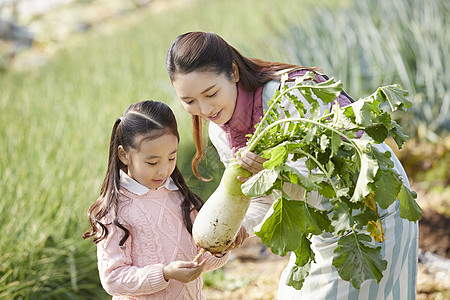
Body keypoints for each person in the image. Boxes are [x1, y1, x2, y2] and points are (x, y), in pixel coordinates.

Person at [165, 31, 419, 299]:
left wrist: (275, 169)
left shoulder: (284, 98)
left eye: (210, 93)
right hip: (318, 222)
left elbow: (342, 165)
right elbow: (260, 198)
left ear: (234, 72)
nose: (204, 110)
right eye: (189, 101)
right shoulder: (220, 132)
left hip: (366, 208)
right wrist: (240, 227)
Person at [83, 100, 229, 299]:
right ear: (124, 155)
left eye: (171, 158)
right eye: (152, 162)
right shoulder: (116, 210)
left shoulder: (181, 197)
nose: (163, 170)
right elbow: (112, 278)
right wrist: (165, 273)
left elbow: (202, 258)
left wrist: (220, 249)